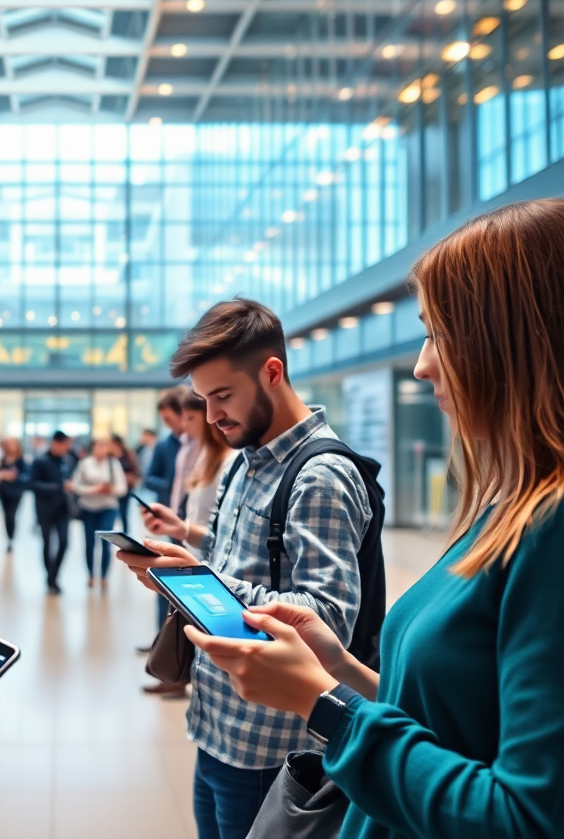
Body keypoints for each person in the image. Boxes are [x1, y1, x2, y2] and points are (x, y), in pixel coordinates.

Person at [180, 200, 564, 839]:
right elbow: (443, 711)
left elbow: (524, 815)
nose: (422, 363)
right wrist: (342, 668)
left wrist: (324, 705)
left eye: (440, 333)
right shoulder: (507, 509)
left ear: (515, 341)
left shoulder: (548, 533)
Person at [118, 297, 371, 839]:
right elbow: (244, 552)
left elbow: (327, 618)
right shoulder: (247, 459)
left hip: (270, 743)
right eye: (204, 399)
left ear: (272, 372)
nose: (212, 416)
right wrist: (183, 559)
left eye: (223, 396)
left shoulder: (321, 475)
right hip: (217, 724)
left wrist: (199, 578)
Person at [140, 386, 191, 683]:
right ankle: (164, 641)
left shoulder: (202, 445)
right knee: (165, 585)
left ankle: (177, 655)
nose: (170, 425)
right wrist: (171, 485)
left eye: (171, 418)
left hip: (190, 525)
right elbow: (151, 477)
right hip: (173, 522)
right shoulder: (166, 446)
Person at [178, 393, 236, 551]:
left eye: (191, 417)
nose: (185, 424)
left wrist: (179, 529)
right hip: (194, 552)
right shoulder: (204, 454)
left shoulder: (231, 460)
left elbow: (221, 534)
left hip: (209, 558)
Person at [72, 438, 128, 590]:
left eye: (104, 446)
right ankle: (91, 574)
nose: (101, 449)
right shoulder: (84, 464)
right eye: (99, 446)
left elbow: (122, 488)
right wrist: (94, 490)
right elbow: (76, 486)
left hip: (108, 507)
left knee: (106, 542)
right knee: (90, 543)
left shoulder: (113, 464)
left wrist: (110, 490)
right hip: (88, 508)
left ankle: (104, 576)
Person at [29, 430, 76, 595]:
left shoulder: (67, 461)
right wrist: (57, 487)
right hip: (45, 509)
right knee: (48, 544)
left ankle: (54, 575)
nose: (66, 449)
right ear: (55, 443)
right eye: (64, 445)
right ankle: (50, 578)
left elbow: (70, 480)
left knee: (64, 543)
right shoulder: (40, 461)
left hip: (63, 509)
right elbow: (32, 484)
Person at [0, 437, 29, 551]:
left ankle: (11, 538)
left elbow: (26, 477)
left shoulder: (21, 461)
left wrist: (13, 476)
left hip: (16, 492)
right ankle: (8, 537)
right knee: (6, 516)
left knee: (12, 515)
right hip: (3, 492)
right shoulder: (2, 460)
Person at [111, 434, 141, 533]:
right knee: (112, 514)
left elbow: (136, 472)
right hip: (111, 490)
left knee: (124, 513)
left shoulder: (128, 456)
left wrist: (128, 478)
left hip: (126, 489)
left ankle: (125, 534)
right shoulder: (109, 457)